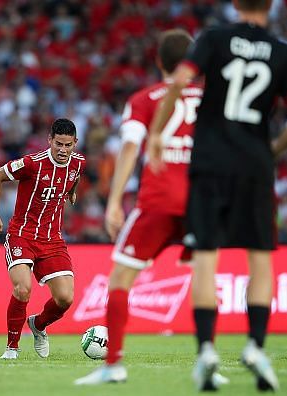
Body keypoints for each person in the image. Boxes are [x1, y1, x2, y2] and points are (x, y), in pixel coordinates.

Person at [148, 0, 287, 391]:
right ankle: (255, 346)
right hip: (255, 166)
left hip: (210, 162)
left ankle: (206, 349)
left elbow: (178, 81)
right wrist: (272, 150)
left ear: (236, 5)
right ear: (270, 8)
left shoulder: (214, 39)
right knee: (260, 257)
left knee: (206, 256)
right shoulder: (284, 53)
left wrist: (156, 134)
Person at [75, 28, 206, 385]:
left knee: (120, 277)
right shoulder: (214, 99)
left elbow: (131, 147)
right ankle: (207, 356)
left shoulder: (145, 99)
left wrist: (114, 201)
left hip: (158, 201)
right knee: (205, 275)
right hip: (202, 202)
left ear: (158, 61)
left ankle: (113, 364)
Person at [0, 118, 85, 359]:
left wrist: (72, 192)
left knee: (65, 299)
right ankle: (12, 348)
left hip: (52, 240)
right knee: (23, 289)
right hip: (22, 235)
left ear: (75, 143)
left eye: (68, 145)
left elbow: (75, 176)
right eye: (58, 144)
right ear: (49, 140)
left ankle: (38, 325)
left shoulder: (78, 163)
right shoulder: (32, 164)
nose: (63, 150)